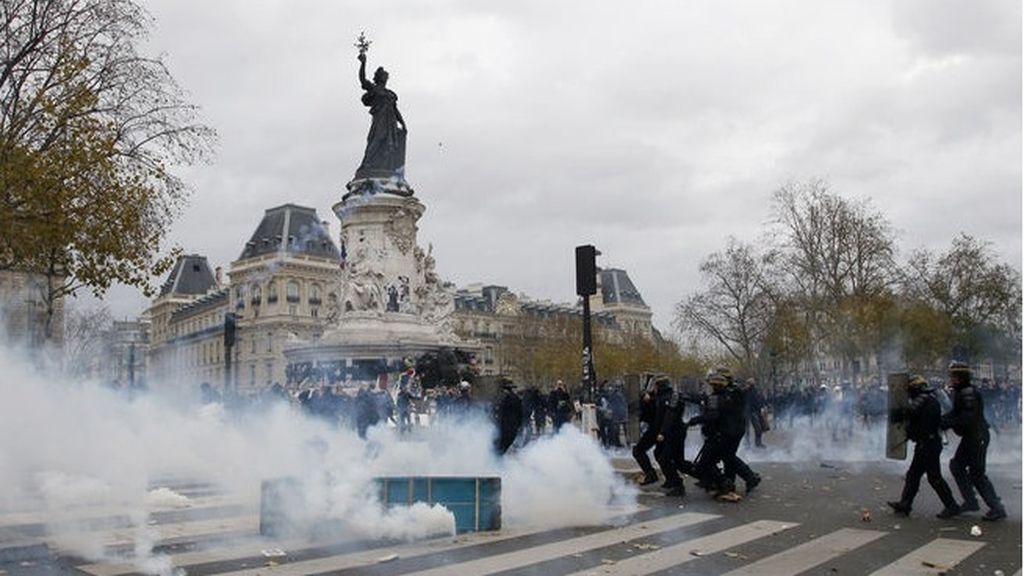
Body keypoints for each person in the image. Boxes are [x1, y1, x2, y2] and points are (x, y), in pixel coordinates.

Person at [887, 374, 960, 519]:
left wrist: (903, 422)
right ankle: (905, 504)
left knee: (934, 477)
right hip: (926, 444)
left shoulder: (926, 401)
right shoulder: (928, 400)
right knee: (914, 475)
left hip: (928, 444)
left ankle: (951, 505)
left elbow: (918, 419)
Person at [942, 361, 1006, 521]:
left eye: (955, 376)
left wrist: (946, 423)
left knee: (977, 474)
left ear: (961, 377)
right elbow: (956, 413)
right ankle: (970, 501)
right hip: (972, 437)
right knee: (956, 466)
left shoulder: (967, 393)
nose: (952, 379)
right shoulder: (962, 391)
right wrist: (941, 419)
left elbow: (967, 419)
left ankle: (997, 508)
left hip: (976, 437)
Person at [355, 51, 407, 180]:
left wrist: (403, 123)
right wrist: (363, 63)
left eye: (386, 76)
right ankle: (366, 164)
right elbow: (362, 79)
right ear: (378, 77)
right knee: (377, 139)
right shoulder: (374, 89)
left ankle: (385, 168)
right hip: (380, 119)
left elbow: (395, 110)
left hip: (390, 121)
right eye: (383, 75)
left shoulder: (391, 94)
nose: (385, 77)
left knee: (388, 144)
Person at [632, 377, 660, 486]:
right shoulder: (655, 397)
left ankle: (651, 474)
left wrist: (648, 400)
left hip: (657, 429)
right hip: (658, 430)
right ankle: (673, 481)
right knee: (661, 454)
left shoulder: (659, 398)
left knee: (638, 451)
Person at [494, 380, 523, 455]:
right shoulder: (515, 398)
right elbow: (520, 413)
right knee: (503, 445)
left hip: (504, 426)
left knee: (499, 446)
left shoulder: (502, 398)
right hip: (511, 426)